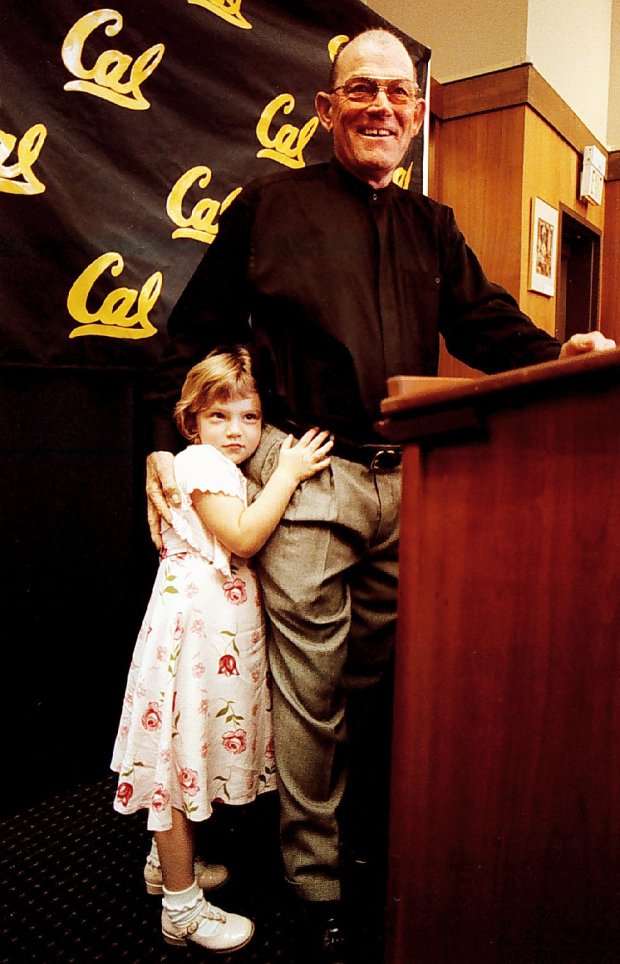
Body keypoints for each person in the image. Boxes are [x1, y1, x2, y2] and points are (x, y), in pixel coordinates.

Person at [144, 28, 616, 963]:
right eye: (363, 91)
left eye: (400, 94)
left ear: (419, 112)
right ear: (328, 110)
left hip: (412, 480)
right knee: (310, 692)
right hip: (305, 476)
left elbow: (484, 322)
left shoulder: (432, 225)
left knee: (387, 680)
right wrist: (167, 452)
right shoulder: (269, 205)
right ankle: (314, 879)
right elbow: (189, 335)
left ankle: (367, 844)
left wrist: (559, 352)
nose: (384, 108)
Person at [111, 346, 332, 953]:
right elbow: (242, 534)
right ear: (191, 423)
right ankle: (181, 909)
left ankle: (167, 870)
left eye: (250, 417)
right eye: (219, 416)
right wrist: (287, 472)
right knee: (177, 763)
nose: (235, 431)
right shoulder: (201, 463)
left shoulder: (210, 462)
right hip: (194, 638)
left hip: (211, 634)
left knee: (184, 752)